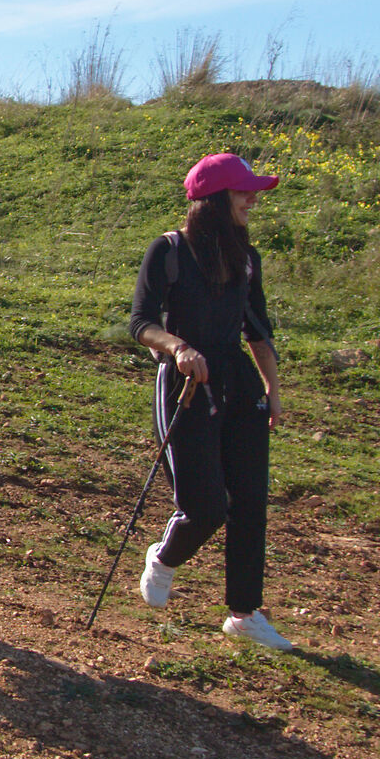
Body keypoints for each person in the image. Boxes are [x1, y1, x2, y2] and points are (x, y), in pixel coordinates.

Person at [126, 152, 293, 652]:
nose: (253, 199)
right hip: (186, 384)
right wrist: (177, 347)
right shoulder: (169, 250)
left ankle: (244, 614)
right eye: (244, 192)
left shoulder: (246, 259)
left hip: (237, 383)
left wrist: (273, 391)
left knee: (250, 502)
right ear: (215, 200)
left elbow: (257, 330)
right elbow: (140, 323)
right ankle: (163, 558)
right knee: (205, 506)